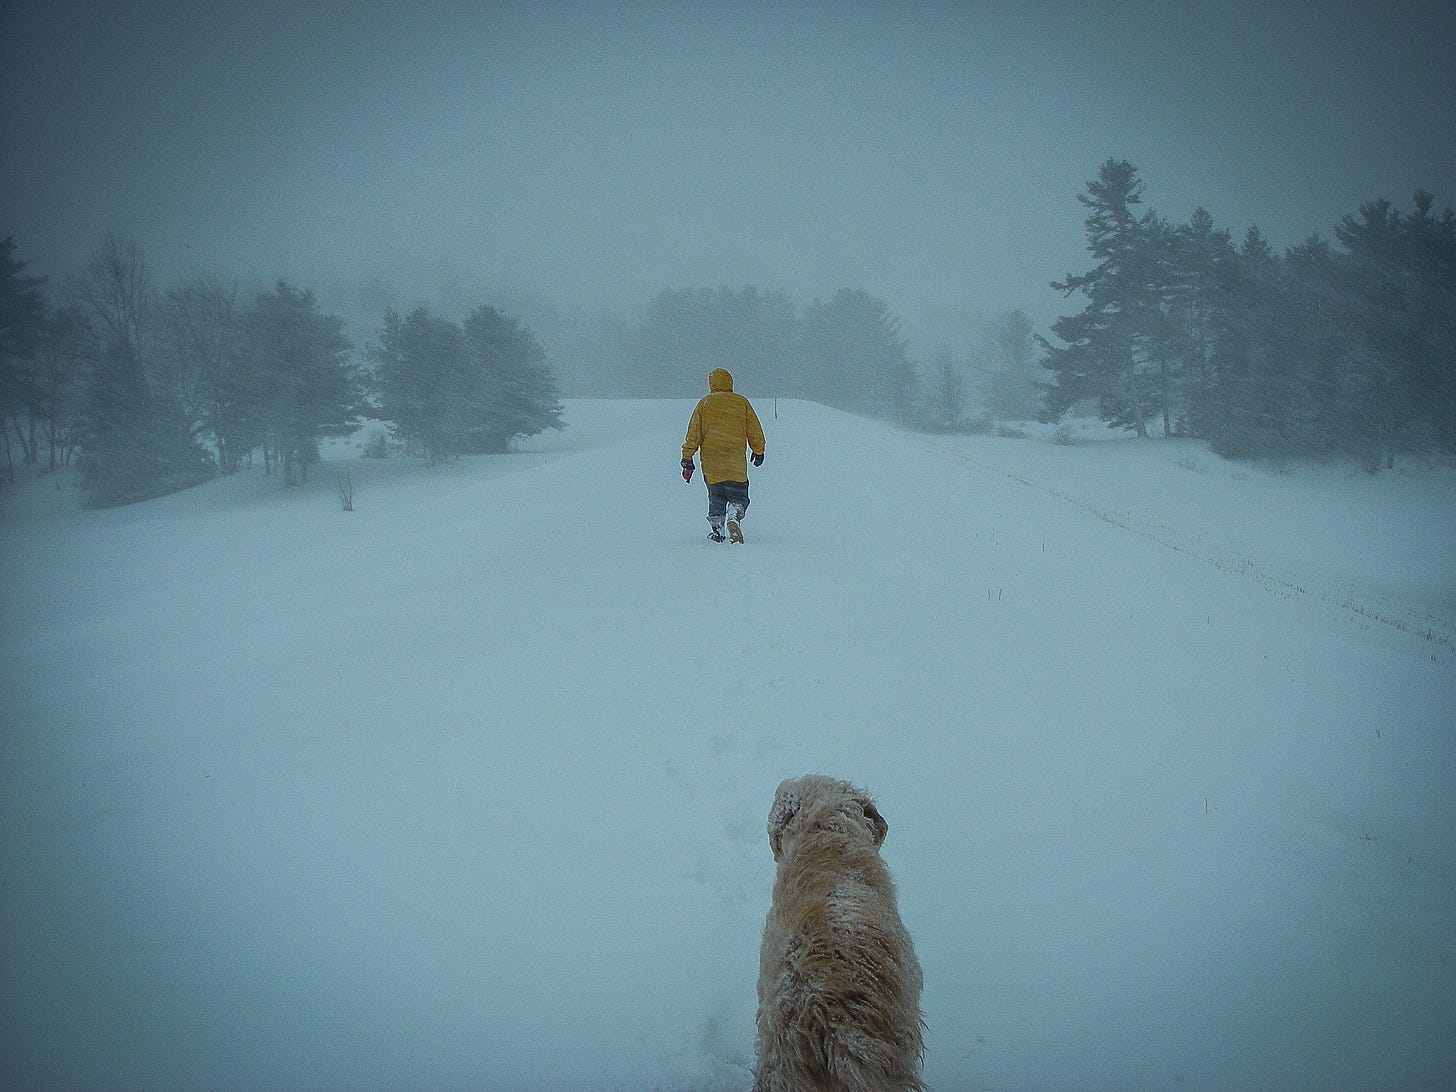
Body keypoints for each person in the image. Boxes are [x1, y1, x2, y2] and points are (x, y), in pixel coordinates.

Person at [681, 368, 765, 543]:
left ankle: (717, 531)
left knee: (716, 498)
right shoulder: (741, 402)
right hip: (735, 462)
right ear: (730, 382)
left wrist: (687, 457)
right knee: (739, 495)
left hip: (712, 464)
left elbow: (693, 434)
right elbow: (754, 429)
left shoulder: (705, 404)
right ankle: (734, 515)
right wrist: (758, 451)